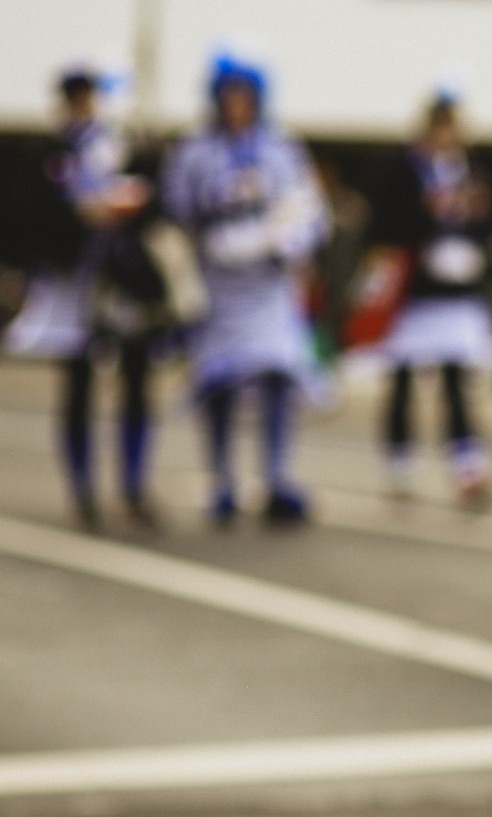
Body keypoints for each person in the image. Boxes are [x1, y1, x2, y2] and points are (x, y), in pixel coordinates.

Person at [162, 51, 327, 525]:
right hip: (219, 285)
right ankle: (221, 481)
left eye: (245, 92)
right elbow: (177, 212)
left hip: (269, 285)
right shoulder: (195, 152)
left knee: (278, 376)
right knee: (219, 382)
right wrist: (212, 239)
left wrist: (284, 241)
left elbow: (309, 213)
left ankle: (275, 477)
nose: (236, 102)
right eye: (228, 92)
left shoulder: (282, 150)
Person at [5, 65, 166, 531]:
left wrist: (128, 208)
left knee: (136, 379)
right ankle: (83, 490)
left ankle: (133, 486)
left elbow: (154, 207)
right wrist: (77, 216)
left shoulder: (123, 146)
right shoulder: (51, 157)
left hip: (121, 282)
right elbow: (31, 217)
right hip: (73, 283)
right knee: (77, 387)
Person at [365, 91, 492, 505]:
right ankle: (400, 464)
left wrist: (475, 223)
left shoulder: (470, 172)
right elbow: (386, 225)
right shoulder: (405, 171)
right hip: (415, 296)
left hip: (457, 292)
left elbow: (489, 225)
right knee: (403, 380)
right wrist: (426, 212)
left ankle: (467, 466)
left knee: (456, 381)